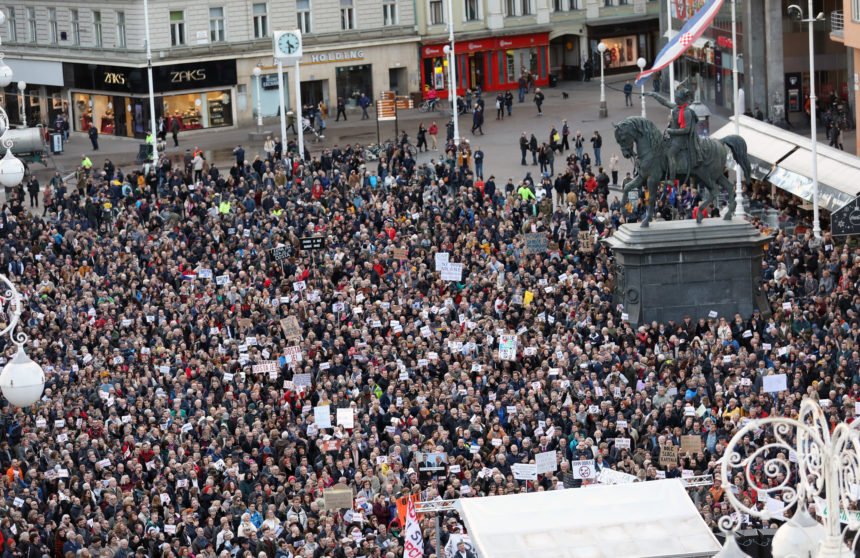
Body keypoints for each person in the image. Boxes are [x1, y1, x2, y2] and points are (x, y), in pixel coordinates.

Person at [645, 86, 700, 182]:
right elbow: (665, 102)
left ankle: (672, 178)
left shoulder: (687, 112)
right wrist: (654, 95)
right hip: (673, 137)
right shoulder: (676, 107)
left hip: (681, 139)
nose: (675, 100)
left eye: (677, 99)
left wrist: (672, 131)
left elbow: (687, 130)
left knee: (670, 154)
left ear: (682, 100)